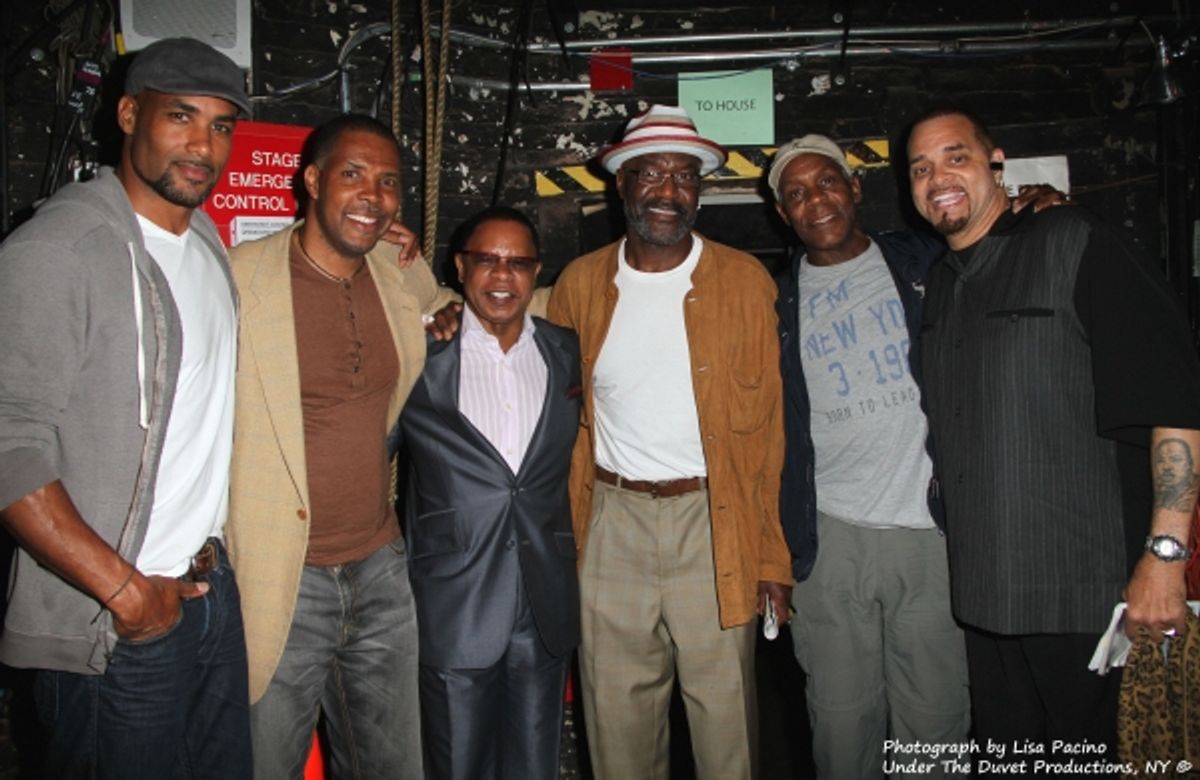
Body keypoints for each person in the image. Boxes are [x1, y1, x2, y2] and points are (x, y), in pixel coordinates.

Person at [907, 106, 1200, 752]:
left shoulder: (1073, 239)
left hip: (1081, 591)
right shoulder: (942, 284)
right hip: (984, 595)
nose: (937, 178)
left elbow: (1174, 402)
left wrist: (1165, 558)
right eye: (920, 168)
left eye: (956, 157)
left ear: (996, 165)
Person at [0, 38, 252, 778]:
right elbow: (10, 444)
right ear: (129, 114)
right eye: (180, 116)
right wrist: (128, 594)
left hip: (207, 590)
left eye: (220, 125)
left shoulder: (205, 242)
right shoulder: (60, 249)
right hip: (116, 618)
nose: (203, 145)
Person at [546, 104, 793, 780]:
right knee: (616, 727)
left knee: (727, 730)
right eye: (650, 174)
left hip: (713, 522)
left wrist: (771, 555)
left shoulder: (744, 281)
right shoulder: (579, 285)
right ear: (621, 184)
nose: (667, 191)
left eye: (683, 176)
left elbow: (769, 432)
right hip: (611, 524)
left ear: (700, 190)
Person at [225, 113, 455, 778]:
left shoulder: (394, 269)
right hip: (281, 572)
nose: (373, 195)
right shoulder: (238, 278)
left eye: (388, 182)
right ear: (312, 180)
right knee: (266, 761)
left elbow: (453, 306)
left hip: (380, 564)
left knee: (393, 764)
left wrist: (446, 307)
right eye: (353, 174)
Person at [768, 135, 968, 779]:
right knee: (840, 725)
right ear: (783, 213)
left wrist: (1035, 207)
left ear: (854, 188)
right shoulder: (773, 301)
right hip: (830, 538)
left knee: (935, 725)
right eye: (796, 193)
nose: (815, 200)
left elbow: (1000, 238)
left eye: (827, 182)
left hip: (929, 531)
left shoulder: (927, 260)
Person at [398, 206, 581, 780]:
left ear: (536, 272)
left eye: (518, 263)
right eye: (487, 260)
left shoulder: (566, 351)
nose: (503, 275)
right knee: (457, 765)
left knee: (535, 764)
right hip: (455, 597)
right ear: (460, 266)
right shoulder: (422, 354)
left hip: (544, 598)